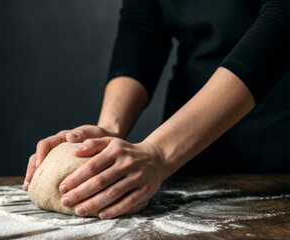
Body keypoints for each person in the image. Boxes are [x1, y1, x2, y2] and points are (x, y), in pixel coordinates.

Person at [23, 0, 290, 219]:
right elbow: (143, 22)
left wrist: (160, 153)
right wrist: (108, 131)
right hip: (188, 154)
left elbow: (283, 20)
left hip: (276, 144)